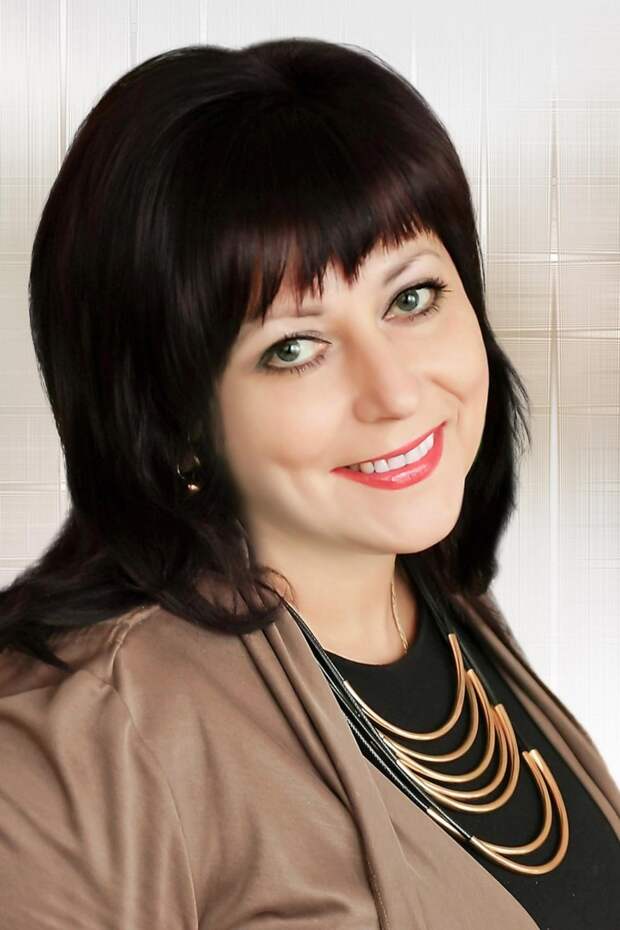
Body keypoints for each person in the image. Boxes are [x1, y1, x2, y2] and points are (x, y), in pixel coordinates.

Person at [0, 37, 618, 930]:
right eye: (294, 348)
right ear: (175, 418)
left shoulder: (444, 607)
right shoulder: (75, 748)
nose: (395, 390)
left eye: (411, 298)